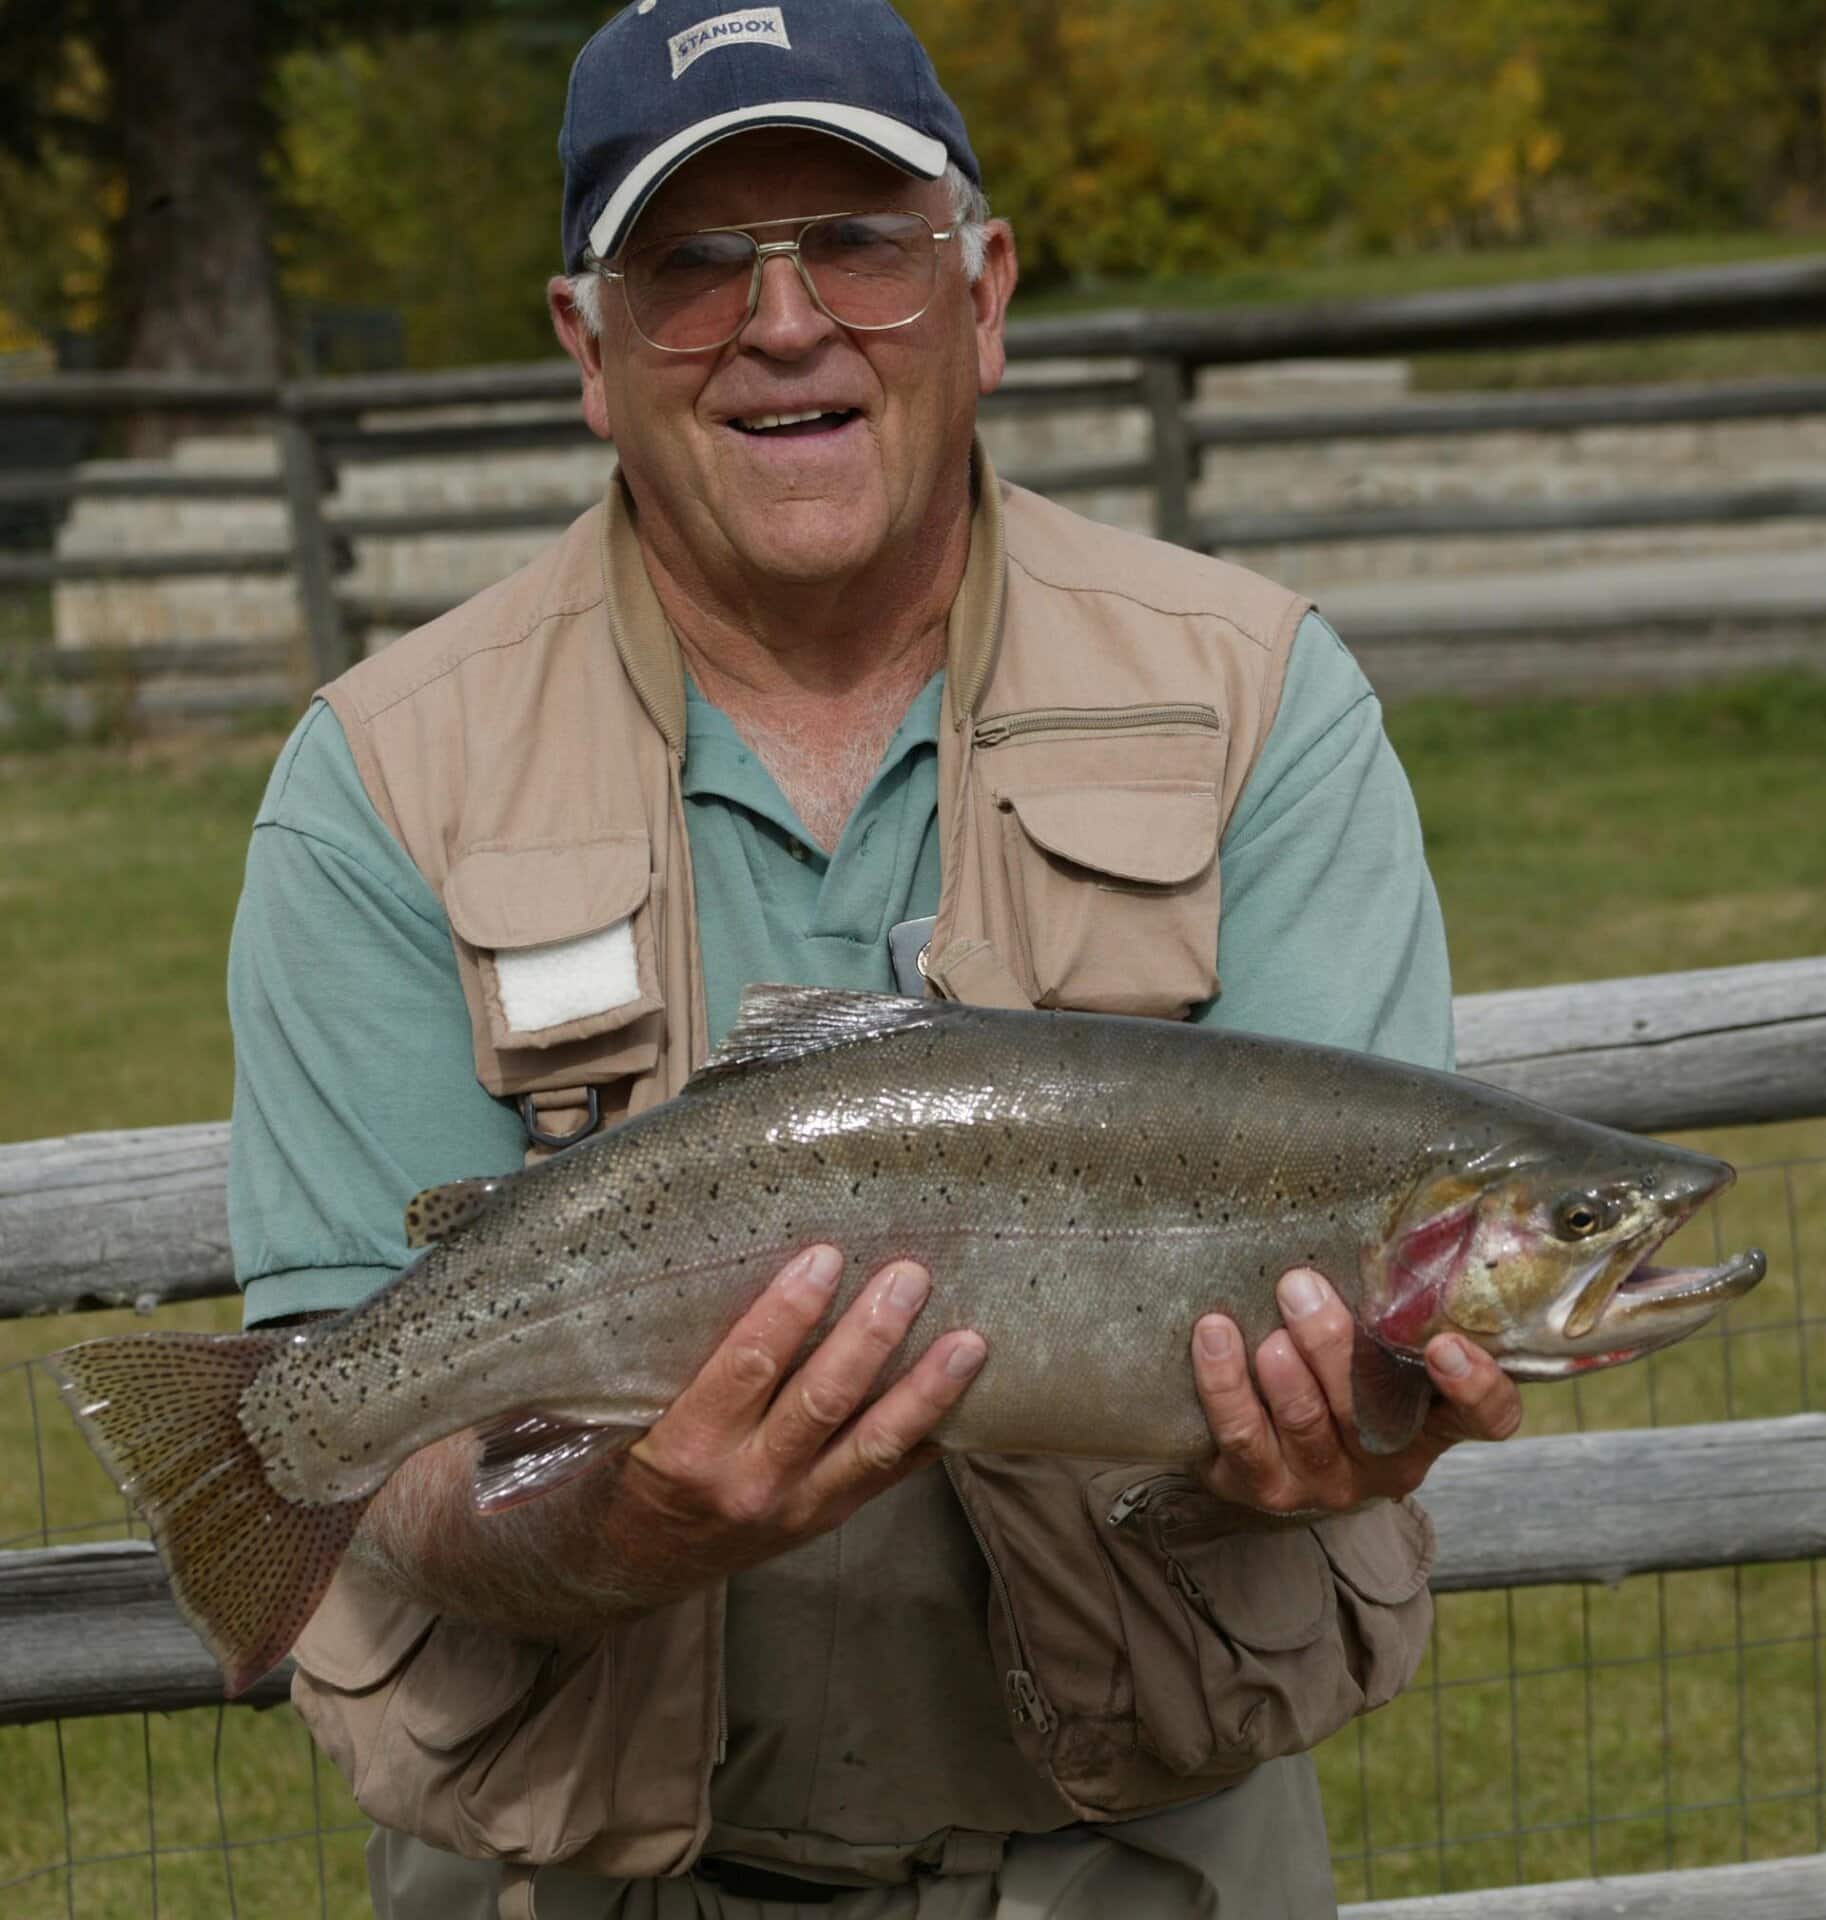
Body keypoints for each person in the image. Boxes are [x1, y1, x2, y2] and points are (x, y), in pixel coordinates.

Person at [227, 3, 1522, 1915]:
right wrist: (613, 1524)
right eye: (690, 265)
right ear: (588, 353)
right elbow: (384, 1471)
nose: (783, 323)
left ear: (981, 294)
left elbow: (1344, 1349)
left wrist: (1345, 1441)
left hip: (1140, 1859)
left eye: (856, 242)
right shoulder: (379, 777)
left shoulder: (1258, 697)